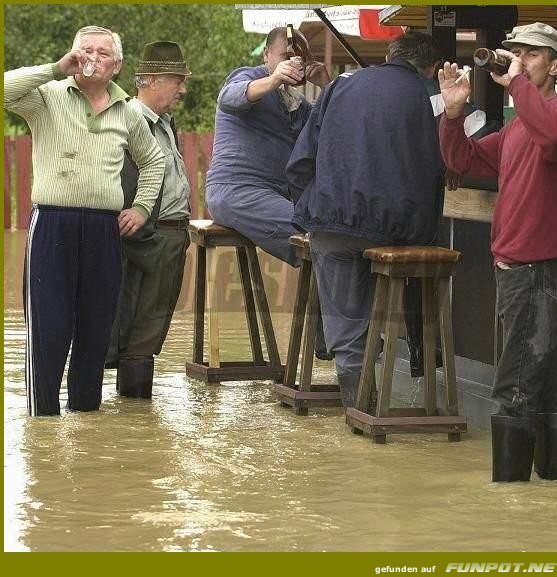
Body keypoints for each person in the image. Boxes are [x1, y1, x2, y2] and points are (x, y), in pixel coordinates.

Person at [438, 22, 557, 481]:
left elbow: (555, 137)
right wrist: (454, 114)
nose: (520, 60)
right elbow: (462, 160)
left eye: (532, 55)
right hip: (522, 269)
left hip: (537, 271)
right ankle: (552, 490)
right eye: (517, 52)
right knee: (546, 385)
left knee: (513, 386)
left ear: (555, 65)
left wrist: (517, 82)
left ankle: (510, 501)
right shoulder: (521, 125)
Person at [4, 26, 165, 416]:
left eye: (102, 52)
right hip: (52, 225)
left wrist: (141, 208)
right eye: (85, 50)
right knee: (49, 331)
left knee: (95, 333)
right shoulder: (46, 97)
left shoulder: (128, 111)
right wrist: (56, 68)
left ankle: (86, 426)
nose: (93, 57)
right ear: (73, 56)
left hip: (102, 230)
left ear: (117, 64)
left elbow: (153, 161)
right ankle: (42, 425)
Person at [286, 32, 446, 409]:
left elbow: (299, 162)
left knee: (345, 321)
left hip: (331, 225)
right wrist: (423, 235)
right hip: (392, 231)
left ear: (389, 55)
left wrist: (310, 207)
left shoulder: (340, 86)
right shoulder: (423, 98)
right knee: (380, 298)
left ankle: (359, 411)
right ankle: (378, 399)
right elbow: (431, 172)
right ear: (430, 69)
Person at [205, 26, 332, 358]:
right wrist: (274, 78)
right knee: (317, 237)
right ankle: (333, 337)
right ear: (268, 57)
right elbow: (231, 97)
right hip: (235, 191)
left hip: (271, 196)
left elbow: (330, 129)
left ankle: (329, 337)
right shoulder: (250, 77)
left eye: (298, 61)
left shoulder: (298, 103)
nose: (292, 65)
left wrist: (327, 86)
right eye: (285, 57)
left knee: (330, 236)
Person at [106, 42, 192, 398]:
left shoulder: (165, 123)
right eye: (177, 80)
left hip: (167, 236)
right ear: (152, 80)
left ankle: (129, 429)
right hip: (149, 238)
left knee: (144, 331)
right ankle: (133, 422)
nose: (183, 89)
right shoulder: (130, 121)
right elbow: (123, 186)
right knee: (139, 333)